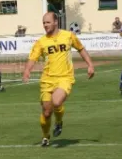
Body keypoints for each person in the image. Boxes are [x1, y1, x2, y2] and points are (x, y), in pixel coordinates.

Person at [23, 12, 95, 147]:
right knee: (46, 111)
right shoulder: (41, 42)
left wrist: (90, 64)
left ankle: (59, 122)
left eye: (48, 22)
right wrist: (27, 70)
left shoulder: (68, 36)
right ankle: (45, 137)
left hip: (65, 78)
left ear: (56, 22)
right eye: (44, 23)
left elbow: (81, 49)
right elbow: (32, 58)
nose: (45, 25)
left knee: (56, 102)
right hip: (47, 80)